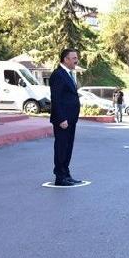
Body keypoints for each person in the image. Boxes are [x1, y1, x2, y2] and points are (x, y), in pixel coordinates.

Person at [50, 48, 82, 185]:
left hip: (71, 119)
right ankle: (60, 177)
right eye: (74, 58)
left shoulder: (68, 74)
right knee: (61, 147)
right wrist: (62, 118)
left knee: (68, 147)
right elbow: (56, 99)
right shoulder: (58, 74)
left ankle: (66, 173)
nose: (76, 60)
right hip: (63, 120)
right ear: (66, 59)